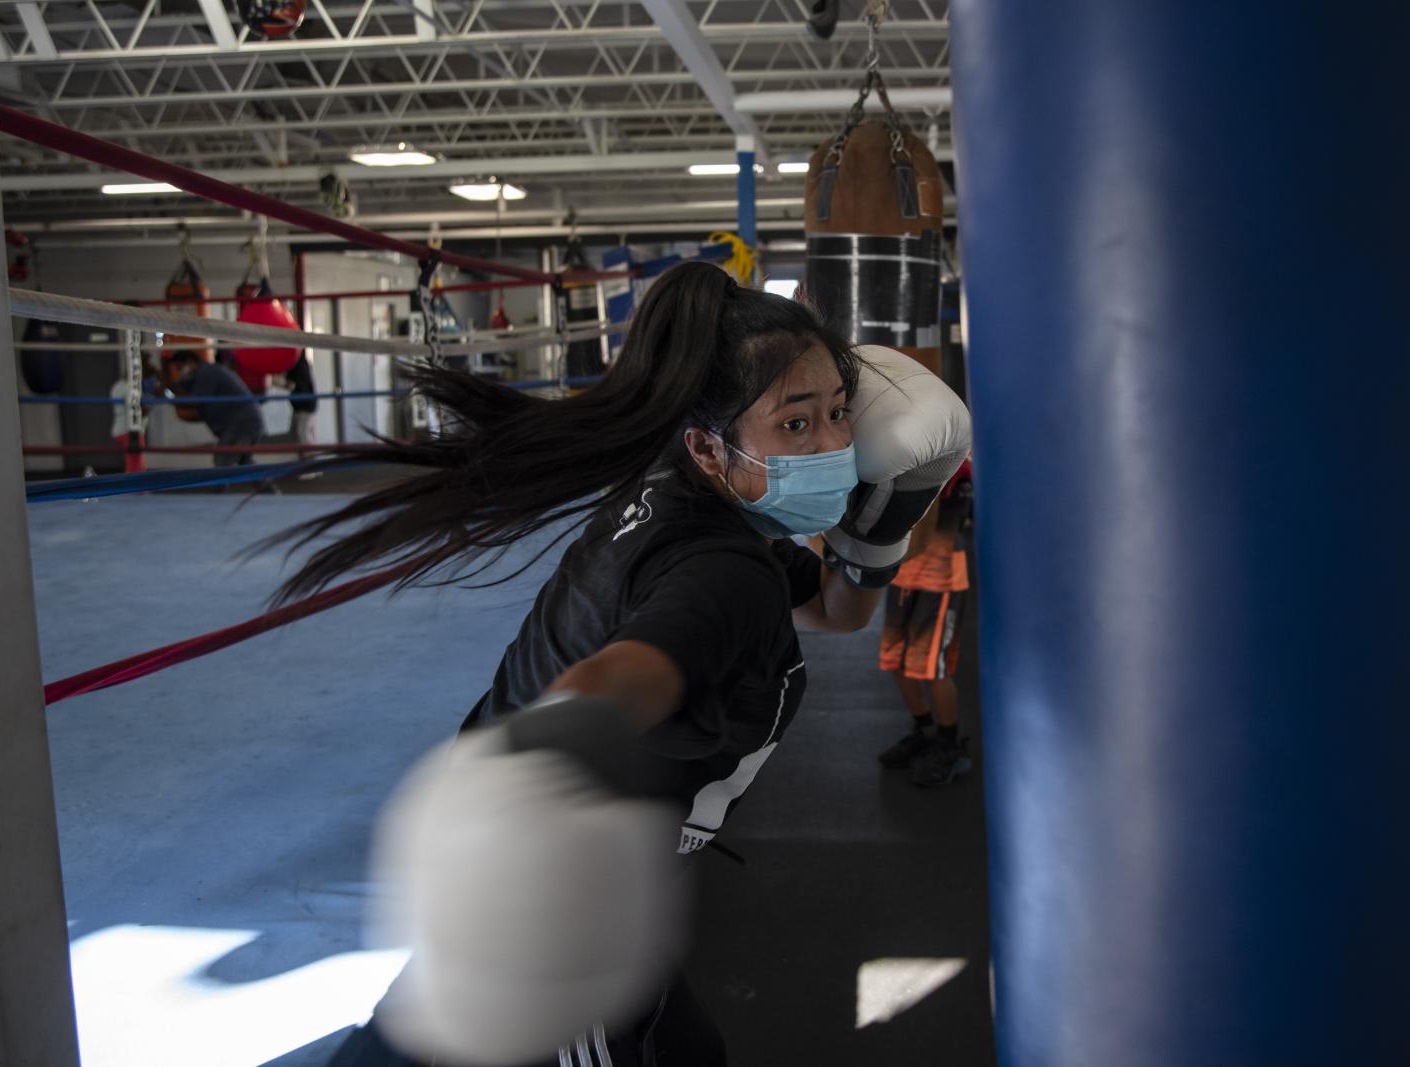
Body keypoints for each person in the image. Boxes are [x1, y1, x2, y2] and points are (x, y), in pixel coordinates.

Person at [270, 262, 970, 1067]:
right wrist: (551, 756)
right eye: (797, 424)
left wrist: (898, 501)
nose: (838, 443)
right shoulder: (725, 570)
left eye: (841, 413)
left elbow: (839, 610)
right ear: (709, 445)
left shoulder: (691, 495)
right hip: (547, 891)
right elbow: (633, 669)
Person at [877, 457, 976, 786]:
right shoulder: (900, 458)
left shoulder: (962, 466)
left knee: (930, 667)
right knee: (894, 662)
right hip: (902, 573)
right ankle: (925, 730)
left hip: (941, 576)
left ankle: (949, 744)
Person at [166, 350, 264, 466]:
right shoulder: (201, 376)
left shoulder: (206, 373)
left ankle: (219, 484)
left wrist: (169, 399)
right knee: (244, 462)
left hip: (241, 424)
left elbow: (195, 402)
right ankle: (266, 484)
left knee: (222, 462)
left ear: (190, 362)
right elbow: (180, 388)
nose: (180, 372)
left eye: (180, 368)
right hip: (246, 422)